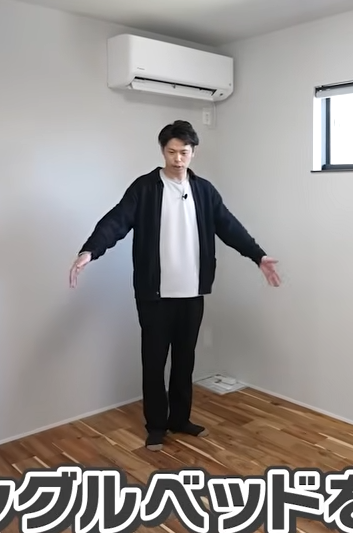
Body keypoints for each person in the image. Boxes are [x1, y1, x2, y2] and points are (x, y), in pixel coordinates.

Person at [69, 120, 280, 451]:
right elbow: (116, 221)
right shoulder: (145, 188)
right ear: (162, 151)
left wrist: (258, 255)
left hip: (192, 293)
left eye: (184, 152)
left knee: (185, 360)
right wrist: (90, 250)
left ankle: (180, 419)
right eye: (171, 152)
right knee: (154, 363)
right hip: (155, 295)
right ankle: (156, 426)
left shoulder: (204, 191)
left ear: (193, 152)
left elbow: (229, 226)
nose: (177, 158)